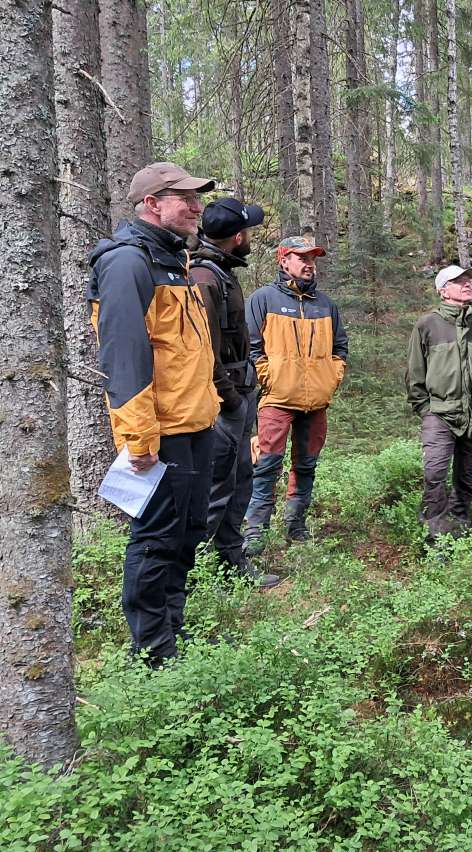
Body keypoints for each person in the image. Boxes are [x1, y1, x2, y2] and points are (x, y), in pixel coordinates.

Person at [87, 161, 218, 664]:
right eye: (183, 198)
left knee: (186, 535)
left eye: (196, 198)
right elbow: (125, 357)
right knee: (157, 540)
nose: (195, 207)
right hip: (160, 433)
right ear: (150, 205)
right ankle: (153, 654)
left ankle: (173, 635)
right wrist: (139, 438)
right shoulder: (128, 263)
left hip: (195, 423)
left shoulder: (173, 261)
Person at [189, 197, 280, 590]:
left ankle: (231, 561)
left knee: (241, 477)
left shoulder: (223, 272)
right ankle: (193, 578)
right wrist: (229, 398)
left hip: (239, 394)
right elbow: (201, 349)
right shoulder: (204, 278)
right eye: (249, 232)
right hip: (224, 400)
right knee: (216, 485)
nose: (250, 239)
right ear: (237, 236)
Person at [243, 236, 348, 554]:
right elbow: (250, 345)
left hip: (316, 402)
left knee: (306, 465)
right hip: (276, 400)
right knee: (266, 466)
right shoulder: (263, 299)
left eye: (312, 258)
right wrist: (269, 379)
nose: (309, 263)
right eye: (301, 257)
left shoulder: (326, 304)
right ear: (283, 260)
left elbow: (340, 347)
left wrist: (330, 379)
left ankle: (296, 526)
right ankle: (255, 533)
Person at [405, 264, 472, 541]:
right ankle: (434, 534)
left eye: (468, 280)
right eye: (458, 281)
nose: (467, 284)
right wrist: (426, 410)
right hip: (439, 413)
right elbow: (415, 372)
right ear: (443, 290)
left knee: (466, 479)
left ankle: (459, 530)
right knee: (435, 473)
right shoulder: (428, 325)